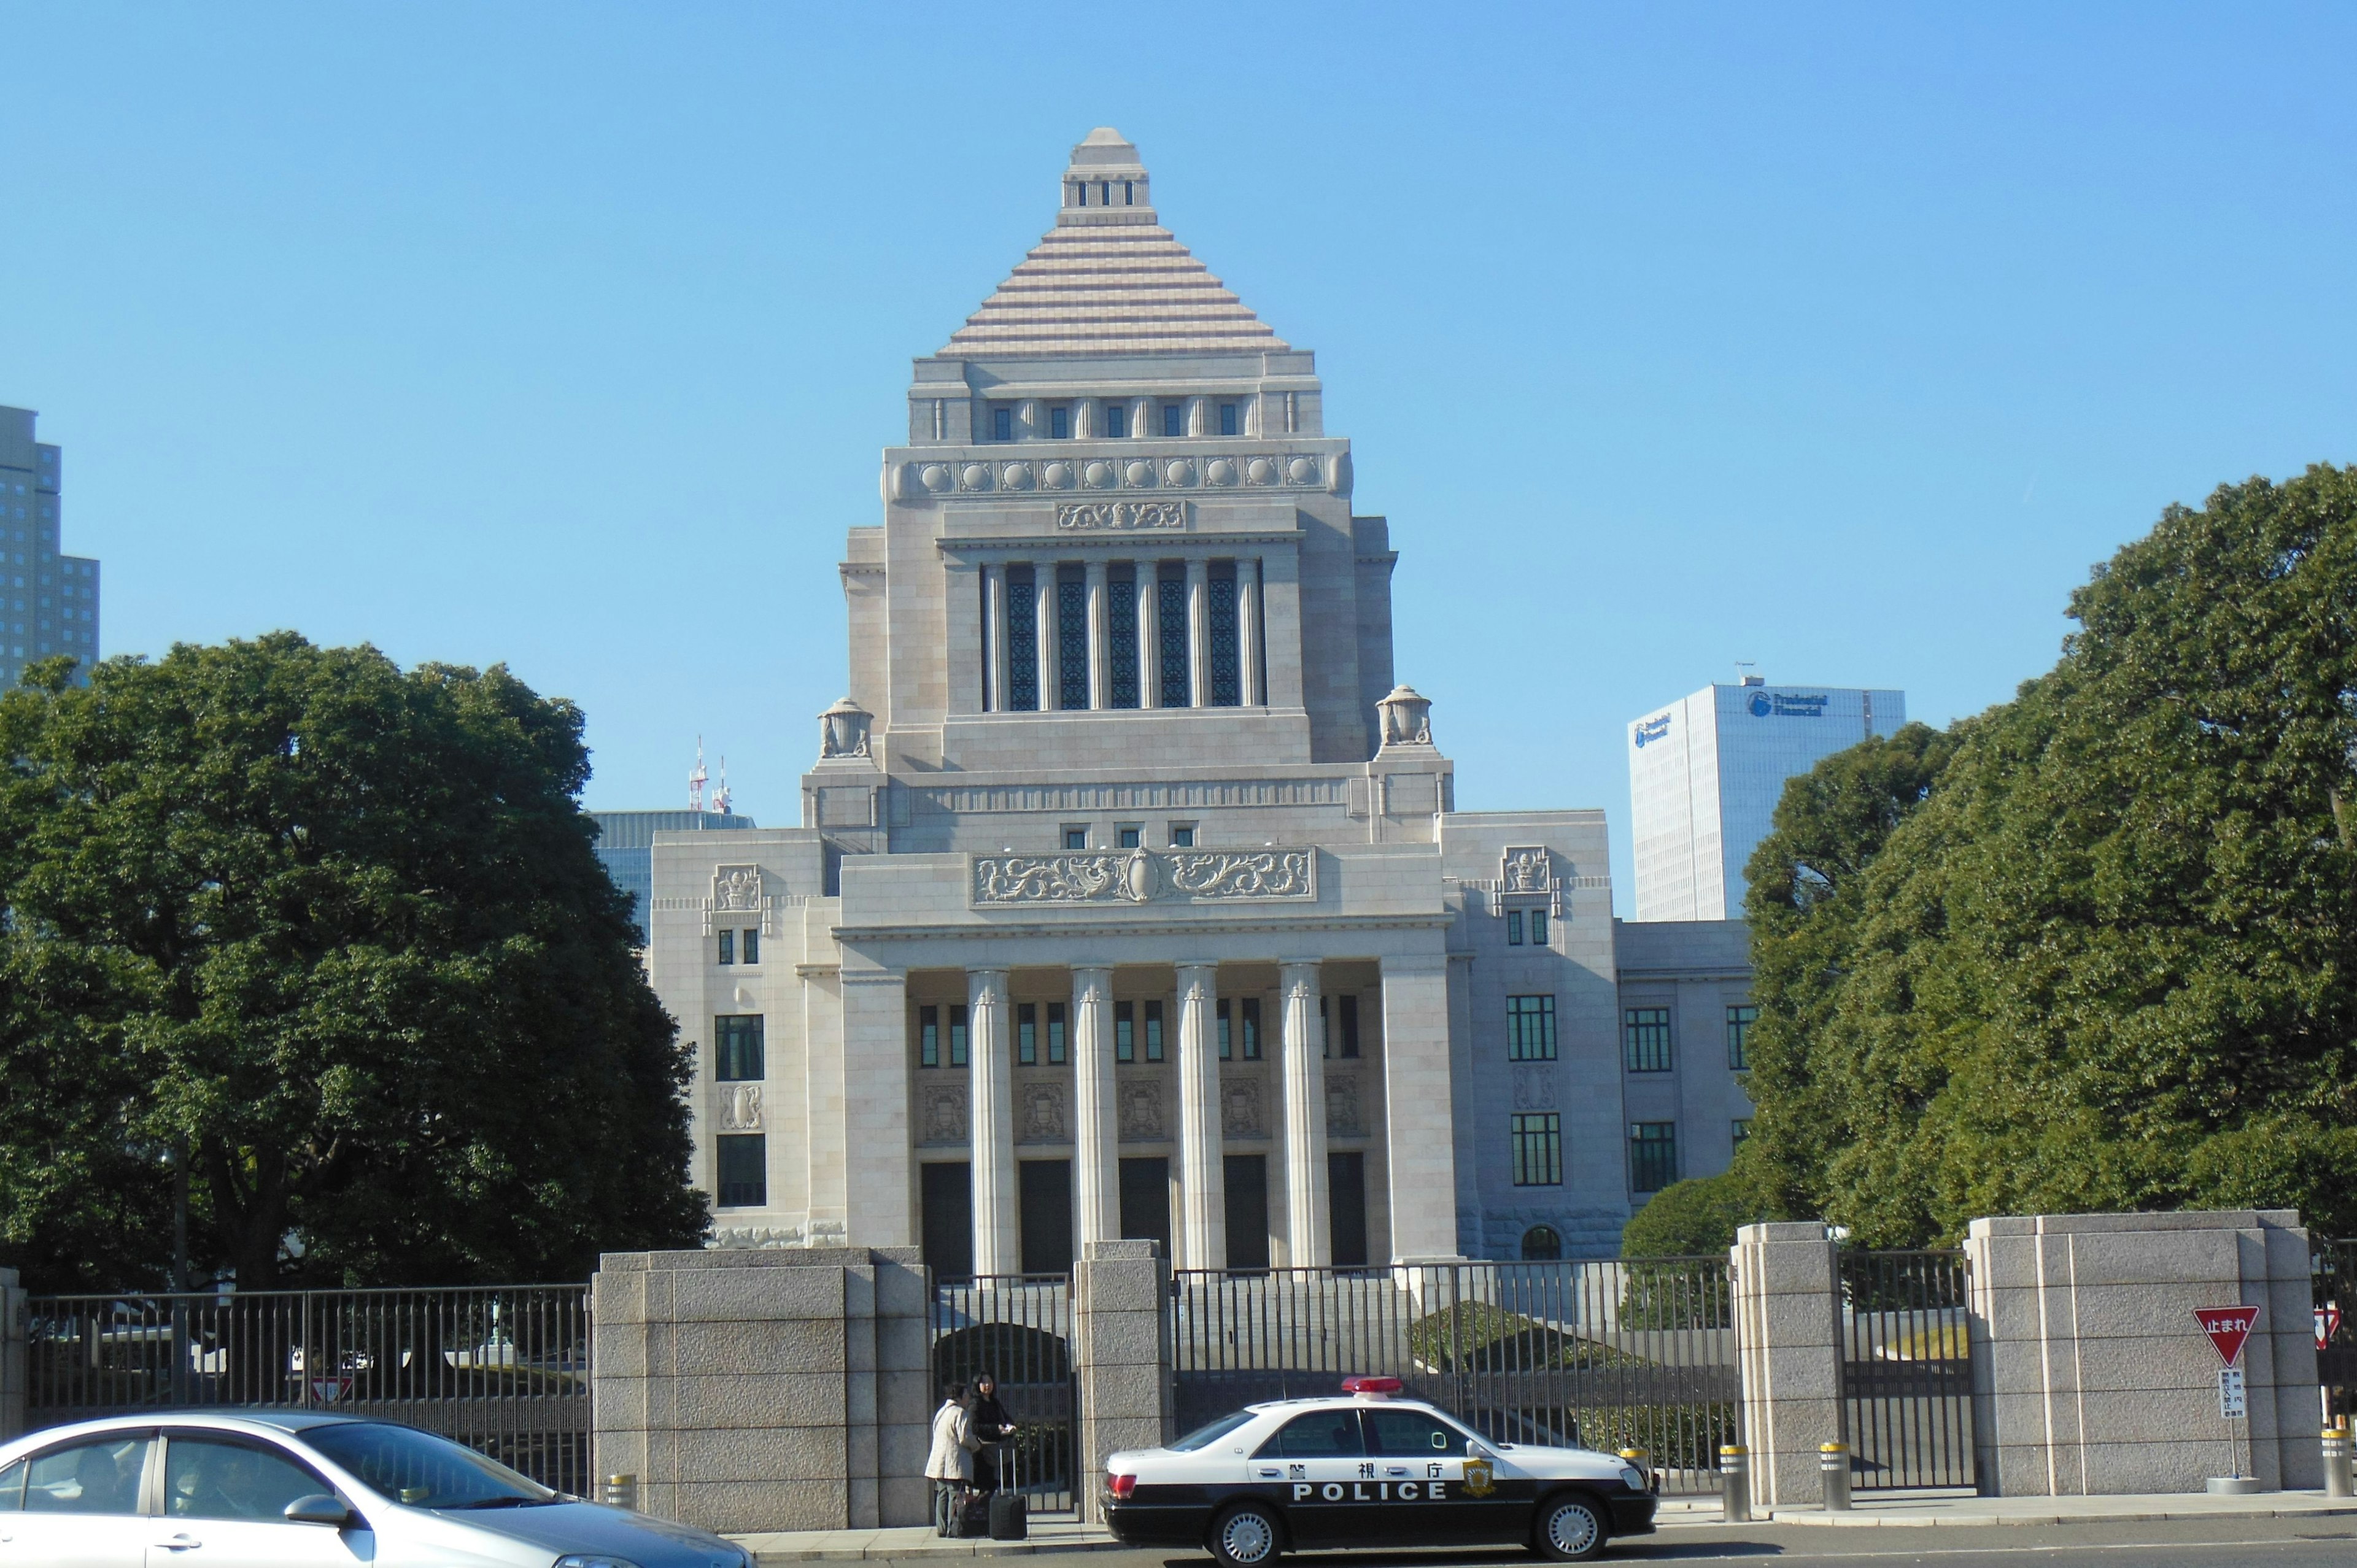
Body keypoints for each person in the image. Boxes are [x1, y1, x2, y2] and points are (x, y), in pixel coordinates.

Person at [924, 1383, 976, 1534]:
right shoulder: (960, 1413)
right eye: (966, 1395)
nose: (968, 1398)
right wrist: (977, 1445)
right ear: (959, 1397)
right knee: (955, 1494)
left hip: (939, 1461)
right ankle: (953, 1528)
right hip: (954, 1461)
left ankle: (941, 1528)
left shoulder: (941, 1413)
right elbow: (964, 1438)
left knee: (942, 1494)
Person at [968, 1372, 1016, 1494]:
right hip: (983, 1452)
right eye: (984, 1383)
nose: (987, 1385)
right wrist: (996, 1428)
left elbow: (1006, 1418)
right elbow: (974, 1427)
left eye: (989, 1382)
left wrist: (1010, 1427)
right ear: (977, 1385)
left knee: (997, 1485)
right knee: (986, 1487)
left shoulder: (995, 1402)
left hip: (999, 1451)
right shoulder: (975, 1405)